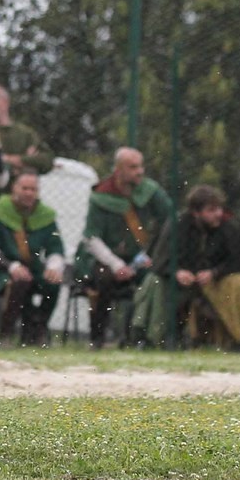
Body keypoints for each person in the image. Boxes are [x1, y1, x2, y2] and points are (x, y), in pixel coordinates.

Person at [73, 147, 173, 348]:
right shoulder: (101, 195)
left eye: (141, 166)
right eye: (133, 167)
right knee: (103, 279)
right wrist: (116, 264)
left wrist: (152, 254)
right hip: (104, 259)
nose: (140, 171)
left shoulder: (151, 191)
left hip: (141, 258)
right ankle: (97, 338)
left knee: (155, 279)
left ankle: (140, 337)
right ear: (118, 171)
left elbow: (170, 222)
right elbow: (92, 238)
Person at [132, 185, 240, 349]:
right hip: (179, 284)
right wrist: (176, 272)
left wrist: (214, 272)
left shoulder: (227, 226)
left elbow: (239, 261)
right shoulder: (177, 225)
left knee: (238, 281)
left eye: (219, 208)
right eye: (211, 210)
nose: (218, 214)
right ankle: (153, 338)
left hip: (216, 283)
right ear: (196, 212)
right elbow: (160, 260)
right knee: (154, 282)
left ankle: (238, 339)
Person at [0, 167, 65, 345]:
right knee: (20, 281)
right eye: (25, 188)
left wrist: (53, 267)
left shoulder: (45, 215)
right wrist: (11, 266)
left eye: (33, 189)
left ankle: (38, 329)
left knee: (52, 281)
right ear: (14, 188)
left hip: (33, 268)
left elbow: (56, 247)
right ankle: (5, 333)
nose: (29, 193)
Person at [0, 85, 53, 192]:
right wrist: (24, 163)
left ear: (5, 103)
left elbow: (46, 161)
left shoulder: (24, 133)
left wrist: (8, 159)